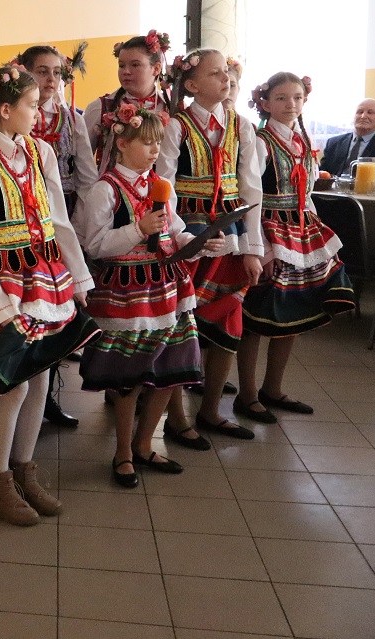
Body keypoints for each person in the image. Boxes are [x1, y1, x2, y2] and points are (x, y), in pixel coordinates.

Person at [0, 65, 97, 526]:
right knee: (14, 384)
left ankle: (24, 469)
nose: (38, 113)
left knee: (40, 377)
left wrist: (79, 279)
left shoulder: (40, 152)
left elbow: (58, 221)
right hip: (7, 287)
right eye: (32, 105)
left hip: (47, 279)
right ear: (4, 110)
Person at [75, 107, 216, 488]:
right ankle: (122, 451)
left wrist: (198, 243)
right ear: (122, 143)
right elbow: (96, 245)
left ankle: (144, 443)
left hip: (168, 288)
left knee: (173, 368)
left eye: (158, 143)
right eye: (147, 143)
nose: (155, 150)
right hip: (127, 291)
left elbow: (175, 231)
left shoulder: (160, 185)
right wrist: (138, 229)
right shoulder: (104, 190)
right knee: (128, 377)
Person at [235, 73, 355, 423]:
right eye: (282, 98)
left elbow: (305, 195)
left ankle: (272, 388)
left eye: (297, 97)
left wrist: (318, 238)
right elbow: (250, 197)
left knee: (293, 312)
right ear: (265, 102)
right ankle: (246, 394)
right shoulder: (260, 142)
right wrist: (262, 249)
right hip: (270, 232)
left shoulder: (302, 141)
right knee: (255, 317)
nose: (291, 104)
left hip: (302, 231)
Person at [158, 48, 264, 441]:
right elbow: (164, 188)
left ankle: (211, 410)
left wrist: (253, 248)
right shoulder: (176, 126)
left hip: (231, 236)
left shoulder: (241, 126)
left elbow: (251, 188)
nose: (225, 79)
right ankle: (176, 417)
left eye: (227, 73)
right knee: (180, 324)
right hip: (189, 236)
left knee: (230, 321)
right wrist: (179, 238)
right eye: (215, 73)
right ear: (191, 84)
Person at [20, 44, 102, 429]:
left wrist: (80, 231)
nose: (50, 79)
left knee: (58, 309)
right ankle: (14, 392)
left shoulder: (71, 118)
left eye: (56, 72)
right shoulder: (9, 114)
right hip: (20, 225)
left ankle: (47, 395)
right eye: (42, 71)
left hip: (60, 220)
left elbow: (86, 178)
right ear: (25, 72)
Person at [85, 30, 171, 174]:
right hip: (112, 186)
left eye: (135, 65)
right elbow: (83, 161)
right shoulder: (100, 107)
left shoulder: (170, 108)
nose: (126, 71)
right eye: (121, 65)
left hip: (160, 186)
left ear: (156, 68)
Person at [319, 98, 375, 179]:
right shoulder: (334, 143)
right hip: (333, 190)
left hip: (370, 191)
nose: (363, 116)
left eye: (370, 112)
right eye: (360, 112)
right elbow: (320, 175)